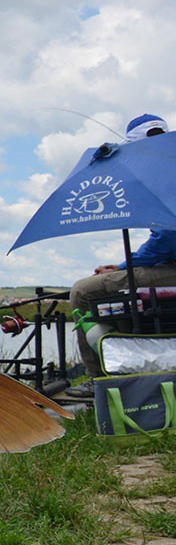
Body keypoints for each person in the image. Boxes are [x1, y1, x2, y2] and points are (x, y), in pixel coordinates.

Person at [67, 113, 176, 395]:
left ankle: (99, 379)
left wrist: (120, 266)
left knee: (83, 291)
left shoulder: (159, 176)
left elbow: (166, 238)